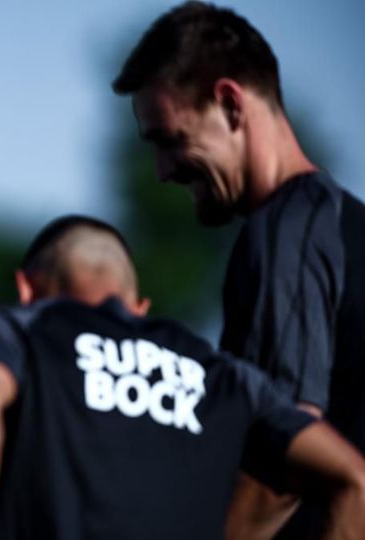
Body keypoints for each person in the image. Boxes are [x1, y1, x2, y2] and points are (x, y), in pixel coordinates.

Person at [0, 215, 365, 540]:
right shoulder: (222, 375)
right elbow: (352, 477)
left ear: (27, 290)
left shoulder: (16, 331)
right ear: (138, 307)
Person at [111, 2, 365, 536]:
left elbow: (284, 463)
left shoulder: (286, 233)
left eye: (170, 139)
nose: (161, 171)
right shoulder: (340, 222)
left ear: (229, 103)